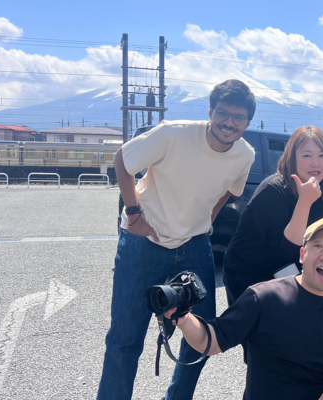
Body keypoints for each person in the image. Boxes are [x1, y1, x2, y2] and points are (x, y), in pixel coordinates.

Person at [97, 79, 257, 400]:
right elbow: (122, 161)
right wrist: (133, 215)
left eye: (238, 118)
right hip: (143, 243)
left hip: (194, 245)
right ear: (211, 112)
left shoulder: (245, 155)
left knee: (204, 337)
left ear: (247, 122)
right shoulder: (174, 133)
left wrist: (205, 222)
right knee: (125, 340)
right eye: (223, 114)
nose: (229, 123)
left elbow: (228, 192)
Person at [165, 218, 323, 400]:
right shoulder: (264, 296)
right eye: (317, 246)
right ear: (302, 255)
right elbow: (211, 341)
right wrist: (185, 319)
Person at [223, 125, 323, 307]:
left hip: (289, 274)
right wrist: (305, 202)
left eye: (322, 155)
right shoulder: (273, 189)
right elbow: (285, 250)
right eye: (307, 155)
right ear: (292, 158)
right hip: (250, 274)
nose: (315, 163)